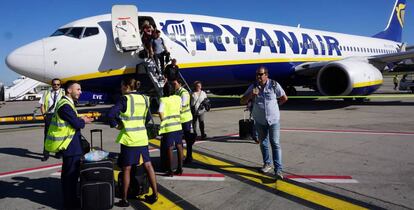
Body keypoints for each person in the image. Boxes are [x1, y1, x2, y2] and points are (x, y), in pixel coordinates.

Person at [108, 77, 158, 207]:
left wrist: (117, 125)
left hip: (129, 139)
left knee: (127, 169)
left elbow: (111, 114)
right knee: (148, 165)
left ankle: (124, 199)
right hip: (142, 137)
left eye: (121, 86)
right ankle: (155, 194)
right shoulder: (145, 98)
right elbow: (147, 118)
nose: (120, 88)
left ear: (126, 86)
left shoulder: (125, 99)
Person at [44, 80, 94, 209]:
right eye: (78, 89)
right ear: (69, 90)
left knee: (70, 176)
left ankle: (70, 201)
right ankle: (70, 204)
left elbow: (73, 120)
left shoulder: (67, 103)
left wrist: (81, 119)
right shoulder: (65, 105)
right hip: (70, 147)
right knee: (70, 178)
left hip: (71, 145)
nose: (80, 92)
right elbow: (76, 124)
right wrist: (83, 121)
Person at [240, 66, 288, 179]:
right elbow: (242, 100)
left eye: (260, 74)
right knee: (263, 143)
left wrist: (276, 106)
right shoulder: (254, 87)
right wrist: (251, 94)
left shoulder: (274, 85)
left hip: (273, 120)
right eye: (257, 74)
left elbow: (284, 98)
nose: (258, 76)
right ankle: (267, 164)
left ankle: (278, 170)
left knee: (275, 143)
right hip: (260, 120)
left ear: (266, 75)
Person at [158, 82, 184, 176]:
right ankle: (180, 168)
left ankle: (170, 170)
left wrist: (163, 120)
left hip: (168, 127)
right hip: (177, 125)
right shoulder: (178, 98)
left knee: (169, 147)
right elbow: (180, 109)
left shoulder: (163, 100)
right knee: (179, 146)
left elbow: (160, 112)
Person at [39, 78, 65, 161]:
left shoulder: (63, 93)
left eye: (58, 84)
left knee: (60, 135)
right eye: (54, 84)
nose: (56, 86)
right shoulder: (46, 93)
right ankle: (46, 155)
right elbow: (42, 105)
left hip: (60, 115)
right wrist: (44, 116)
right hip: (49, 115)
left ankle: (59, 153)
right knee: (47, 136)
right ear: (52, 85)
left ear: (60, 85)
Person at [172, 80, 195, 164]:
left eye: (175, 84)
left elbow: (183, 105)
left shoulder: (184, 93)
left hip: (185, 119)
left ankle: (189, 156)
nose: (173, 85)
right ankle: (181, 157)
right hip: (179, 120)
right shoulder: (176, 92)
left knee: (188, 140)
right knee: (179, 140)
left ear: (180, 84)